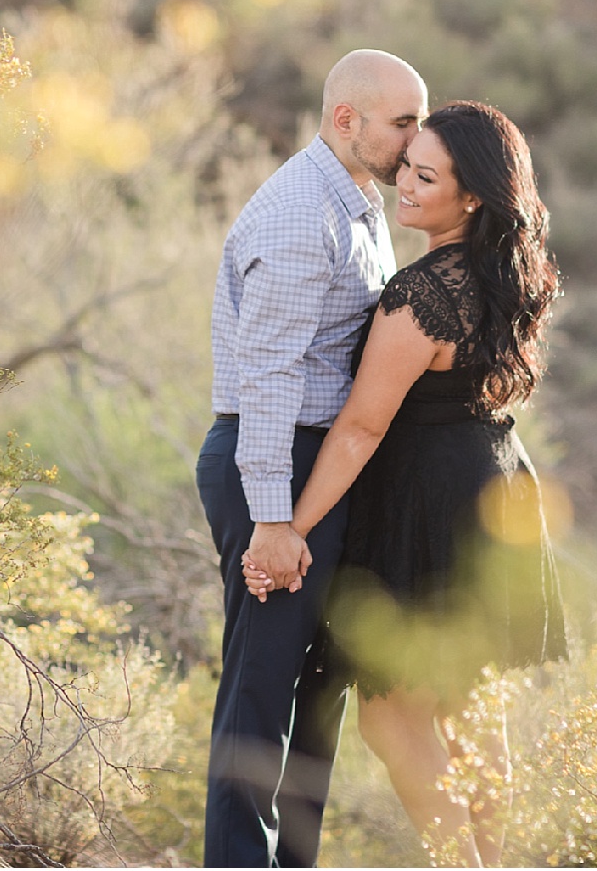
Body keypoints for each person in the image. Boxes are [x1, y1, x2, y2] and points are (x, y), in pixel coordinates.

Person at [242, 101, 568, 867]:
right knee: (470, 715)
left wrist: (287, 527)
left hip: (432, 504)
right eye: (407, 167)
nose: (404, 187)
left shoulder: (420, 293)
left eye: (426, 177)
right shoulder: (508, 275)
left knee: (392, 720)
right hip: (495, 489)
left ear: (474, 196)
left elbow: (360, 427)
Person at [197, 49, 428, 867]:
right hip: (277, 463)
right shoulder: (304, 215)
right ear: (346, 120)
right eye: (404, 122)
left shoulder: (356, 202)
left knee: (316, 693)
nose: (415, 138)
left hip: (311, 466)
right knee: (261, 693)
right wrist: (271, 519)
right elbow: (269, 375)